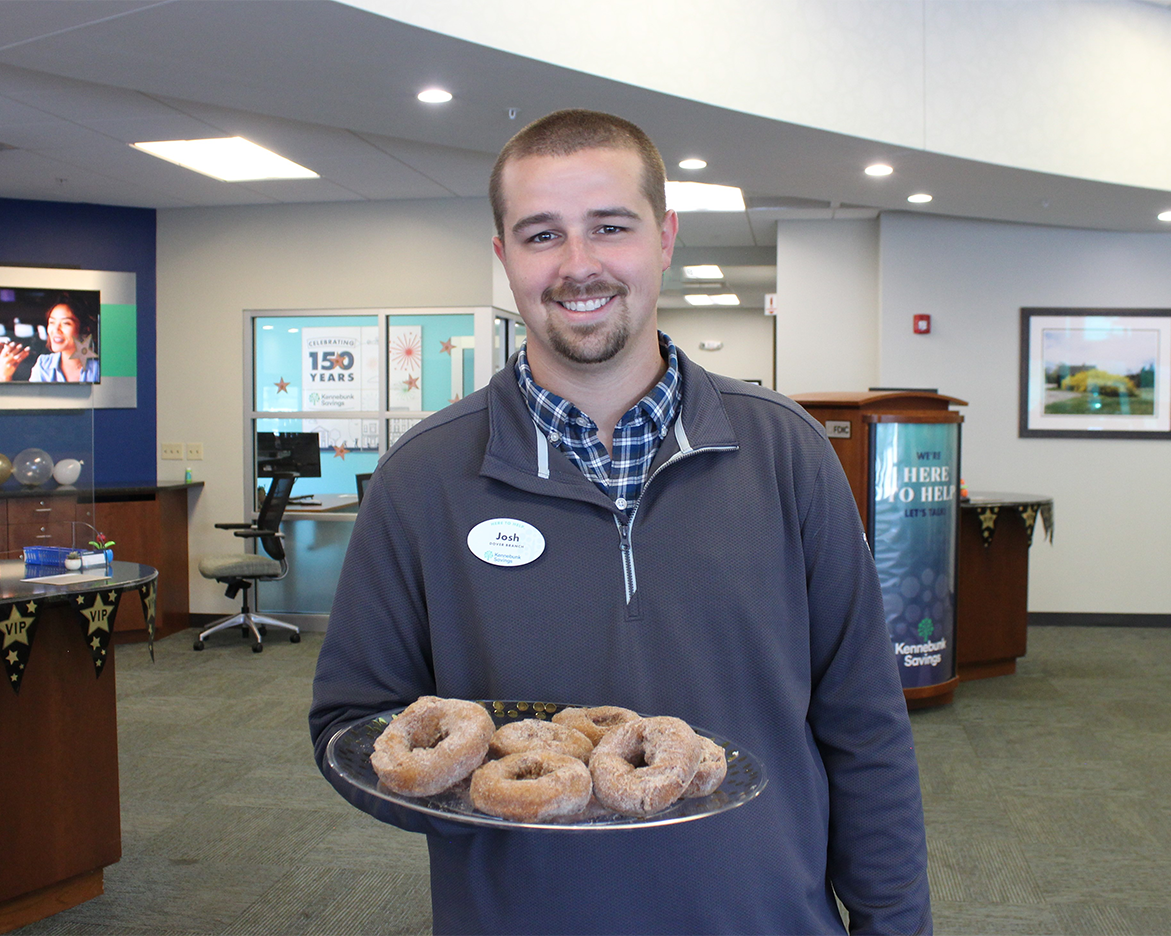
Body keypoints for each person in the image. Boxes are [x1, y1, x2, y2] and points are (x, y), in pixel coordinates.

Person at [310, 109, 932, 935]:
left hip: (762, 914)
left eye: (610, 226)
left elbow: (863, 722)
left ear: (664, 237)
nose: (578, 264)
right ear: (504, 257)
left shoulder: (788, 452)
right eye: (540, 235)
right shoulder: (422, 476)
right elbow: (353, 722)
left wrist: (895, 922)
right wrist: (494, 795)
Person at [0, 299, 100, 382]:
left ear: (85, 329)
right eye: (52, 322)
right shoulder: (43, 364)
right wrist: (5, 377)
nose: (55, 329)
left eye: (66, 323)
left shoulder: (99, 368)